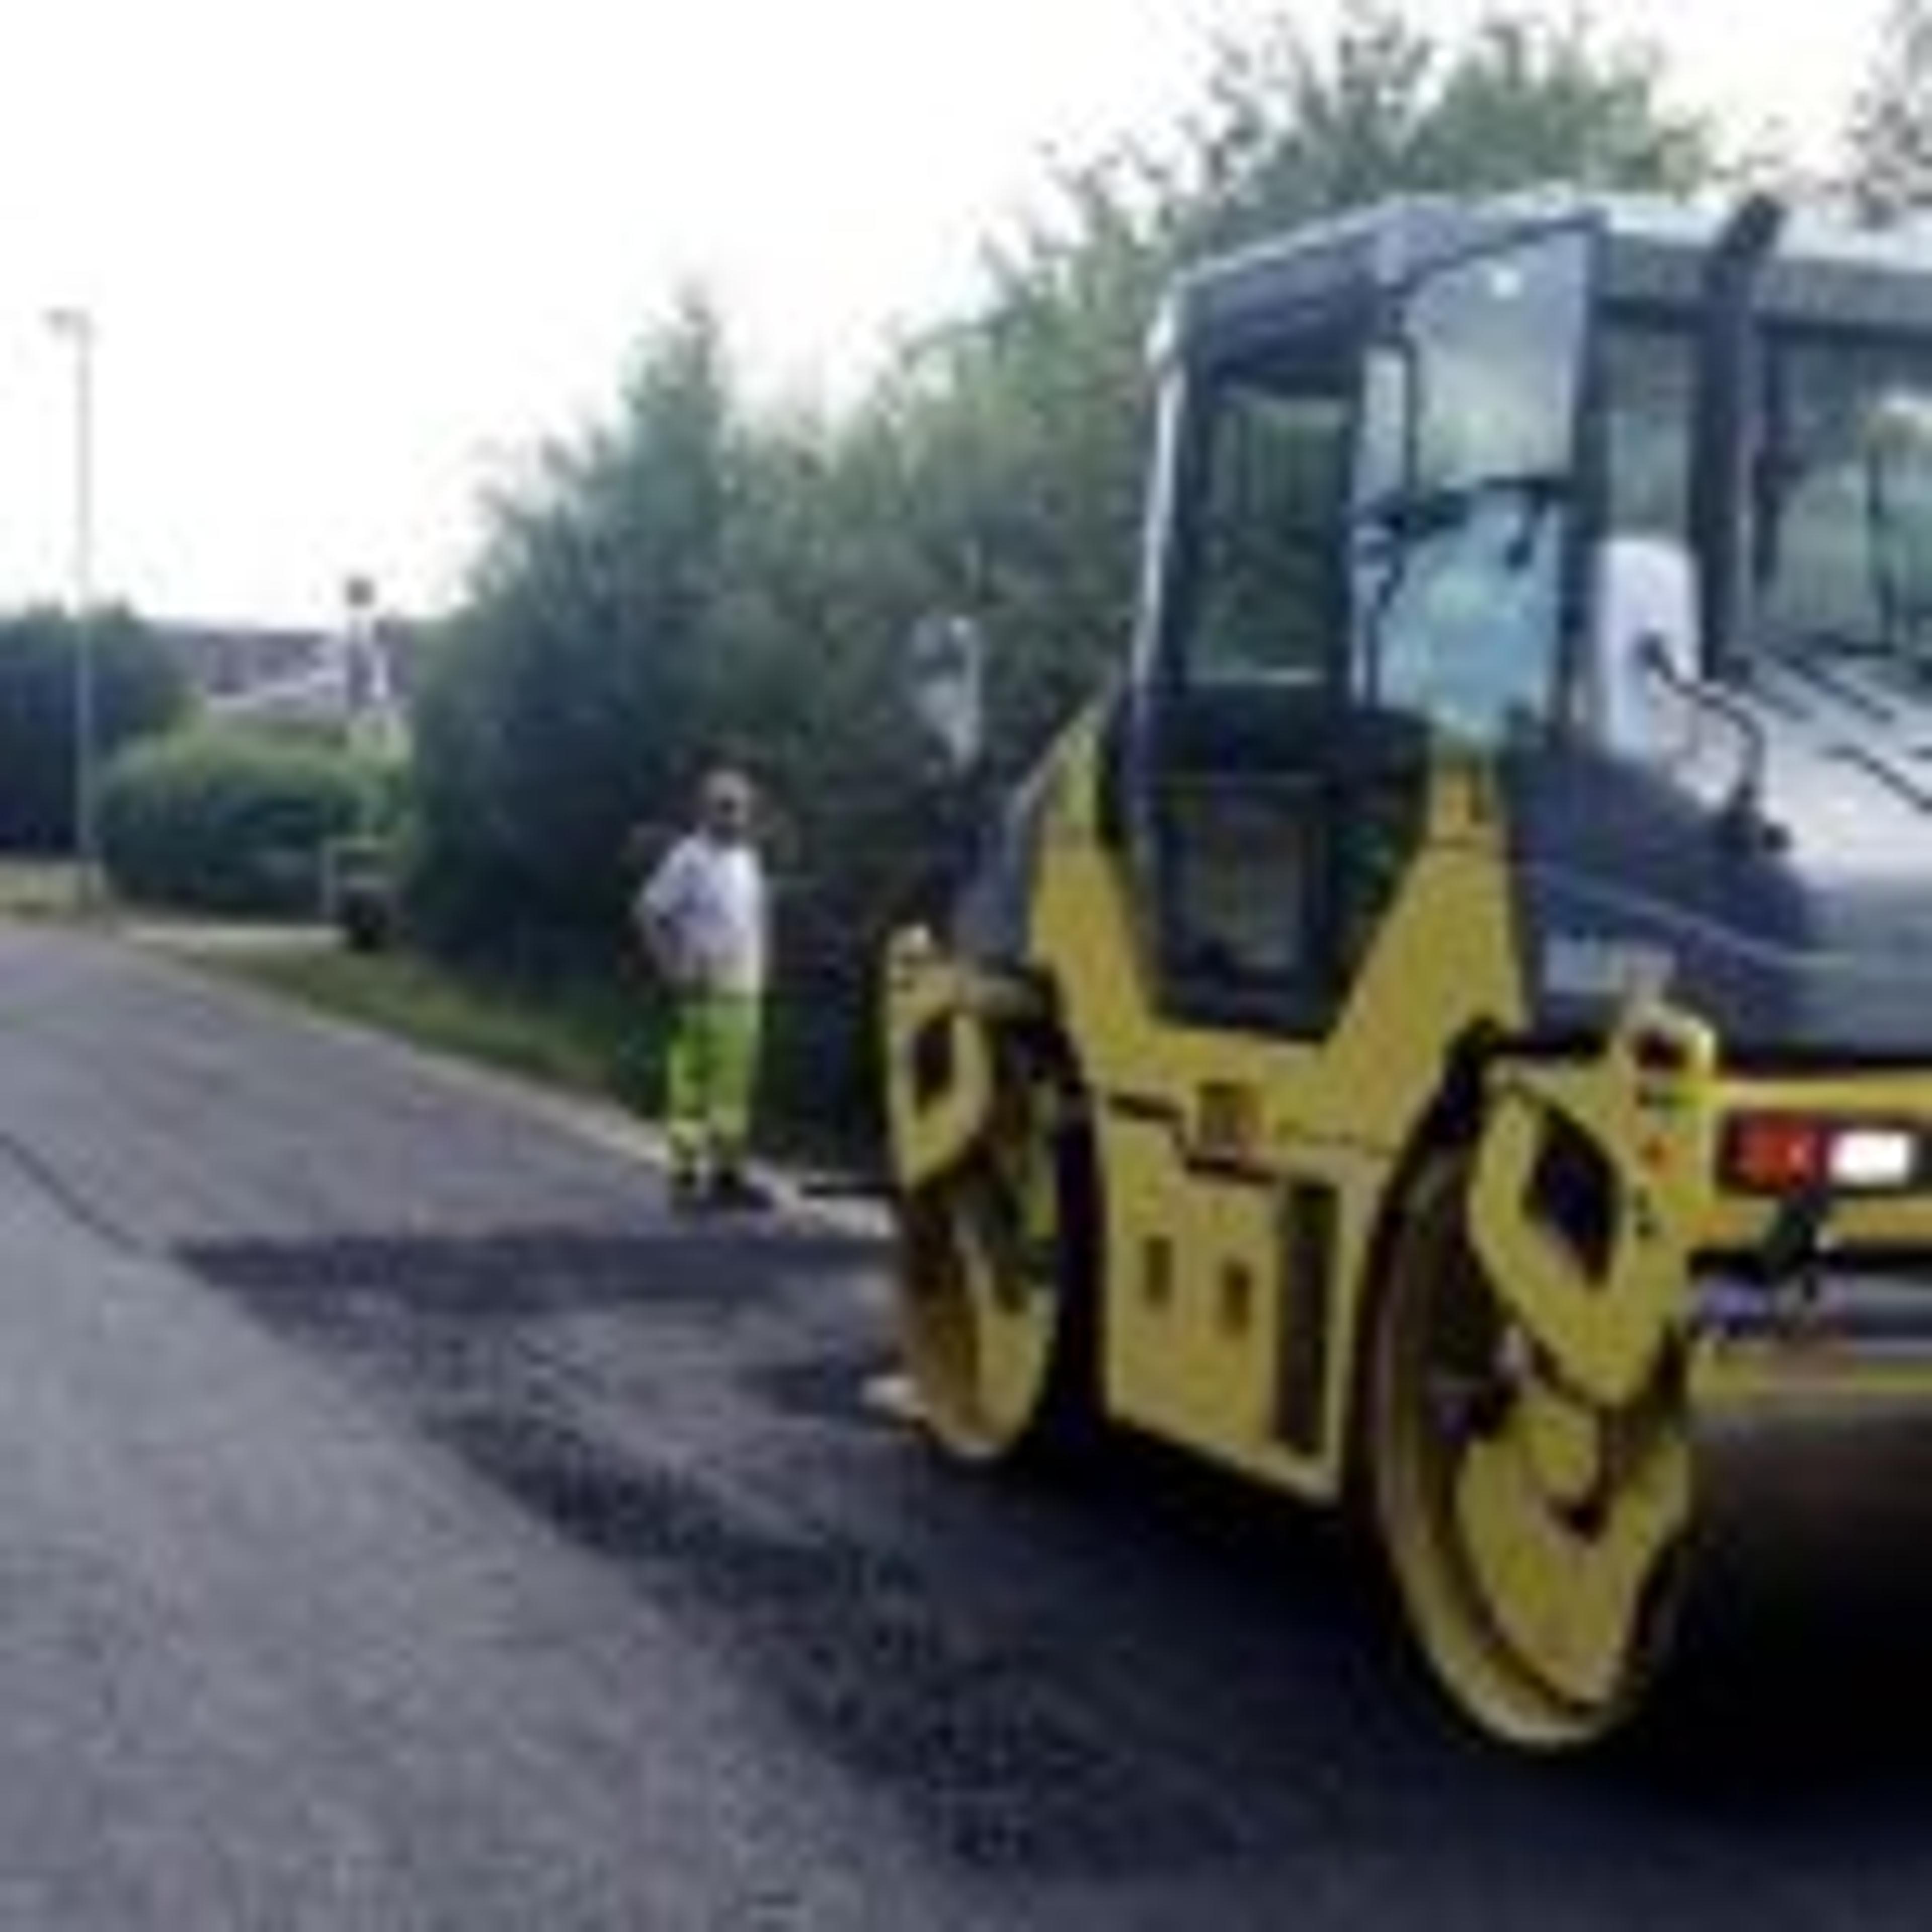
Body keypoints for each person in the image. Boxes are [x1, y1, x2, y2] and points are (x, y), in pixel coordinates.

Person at [634, 768, 771, 1209]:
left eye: (741, 807)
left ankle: (727, 1177)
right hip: (701, 994)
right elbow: (648, 913)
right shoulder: (688, 857)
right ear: (704, 810)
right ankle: (685, 1180)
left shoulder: (748, 859)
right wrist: (670, 969)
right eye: (724, 806)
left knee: (734, 1094)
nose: (734, 815)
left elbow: (755, 919)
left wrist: (764, 972)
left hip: (744, 993)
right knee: (691, 1092)